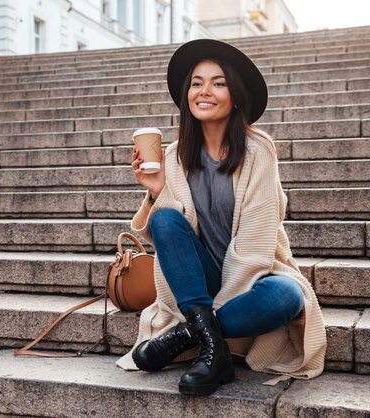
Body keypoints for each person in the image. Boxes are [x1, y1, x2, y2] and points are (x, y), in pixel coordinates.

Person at [115, 39, 327, 396]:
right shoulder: (174, 155)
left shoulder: (258, 150)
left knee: (287, 295)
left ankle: (188, 336)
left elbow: (257, 242)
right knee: (164, 219)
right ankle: (214, 350)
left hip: (250, 278)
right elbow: (169, 233)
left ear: (235, 95)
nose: (205, 91)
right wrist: (155, 190)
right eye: (197, 83)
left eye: (218, 82)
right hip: (195, 282)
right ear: (187, 94)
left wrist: (214, 306)